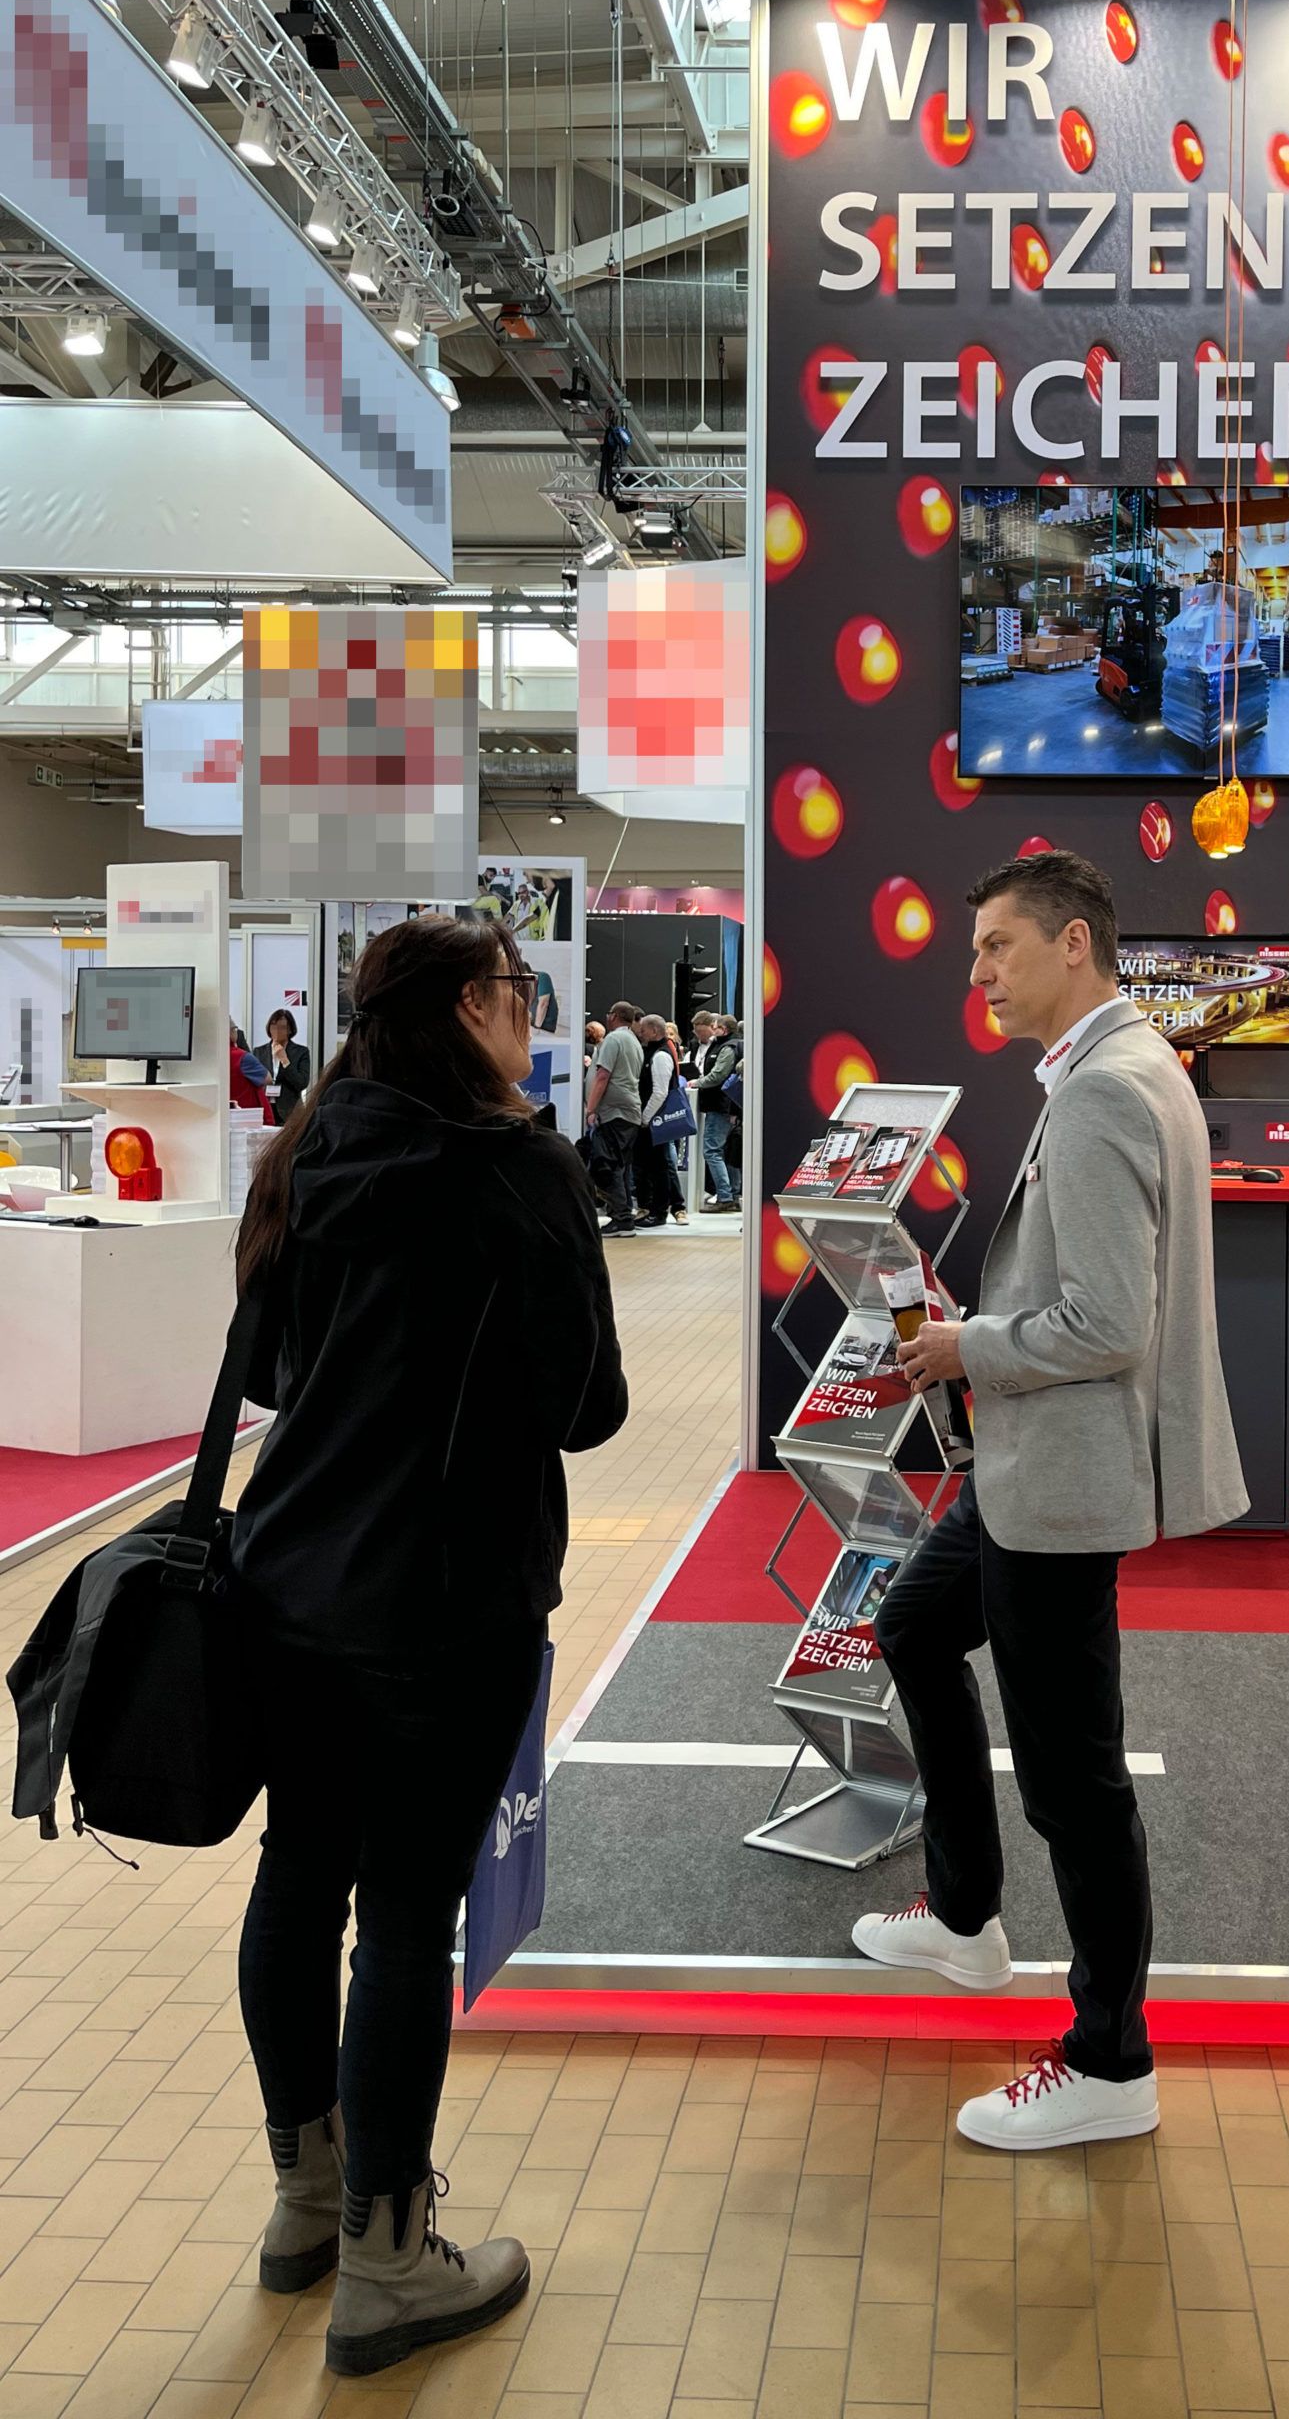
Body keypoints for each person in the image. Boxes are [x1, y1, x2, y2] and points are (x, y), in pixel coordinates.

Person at [225, 912, 627, 2373]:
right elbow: (590, 1406)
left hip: (290, 1582)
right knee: (402, 1918)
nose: (529, 1013)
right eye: (518, 989)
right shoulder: (517, 1168)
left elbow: (274, 1370)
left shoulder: (307, 1153)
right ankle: (389, 2262)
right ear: (468, 1004)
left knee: (298, 1878)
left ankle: (309, 2200)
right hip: (448, 1601)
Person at [853, 850, 1246, 2151]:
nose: (976, 972)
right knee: (913, 1627)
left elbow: (1107, 1322)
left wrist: (967, 1346)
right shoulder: (1124, 1068)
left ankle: (1108, 2060)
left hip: (1063, 1479)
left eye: (996, 947)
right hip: (1032, 1465)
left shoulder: (1104, 1090)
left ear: (1073, 944)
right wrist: (982, 1330)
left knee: (1074, 1782)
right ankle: (966, 1919)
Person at [584, 1000, 644, 1234]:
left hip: (614, 1112)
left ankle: (621, 1218)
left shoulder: (614, 1040)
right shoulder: (633, 1041)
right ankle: (622, 1215)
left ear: (615, 1016)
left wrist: (591, 1109)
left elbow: (602, 1076)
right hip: (628, 1112)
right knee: (619, 1166)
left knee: (606, 1165)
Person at [631, 1013, 686, 1228]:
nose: (641, 1033)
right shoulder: (657, 1051)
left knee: (659, 1167)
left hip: (655, 1121)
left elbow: (660, 1092)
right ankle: (655, 1209)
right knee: (655, 1166)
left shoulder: (661, 1055)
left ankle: (659, 1212)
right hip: (654, 1120)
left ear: (654, 1031)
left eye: (644, 1029)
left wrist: (645, 1118)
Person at [693, 1013, 742, 1212]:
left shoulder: (727, 1048)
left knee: (712, 1150)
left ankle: (725, 1196)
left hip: (719, 1105)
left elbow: (718, 1075)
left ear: (724, 1029)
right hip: (728, 1105)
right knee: (728, 1151)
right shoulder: (730, 1045)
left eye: (716, 1026)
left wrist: (697, 1083)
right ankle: (733, 1194)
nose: (713, 1029)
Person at [252, 1010, 313, 1127]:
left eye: (282, 1028)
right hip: (265, 1109)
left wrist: (285, 1061)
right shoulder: (259, 1052)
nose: (277, 1031)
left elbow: (302, 1083)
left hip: (289, 1111)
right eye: (273, 1026)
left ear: (290, 1030)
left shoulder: (301, 1052)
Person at [228, 1022, 270, 1114]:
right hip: (247, 1114)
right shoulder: (242, 1057)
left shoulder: (207, 1057)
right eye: (235, 1030)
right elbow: (267, 1079)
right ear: (232, 1032)